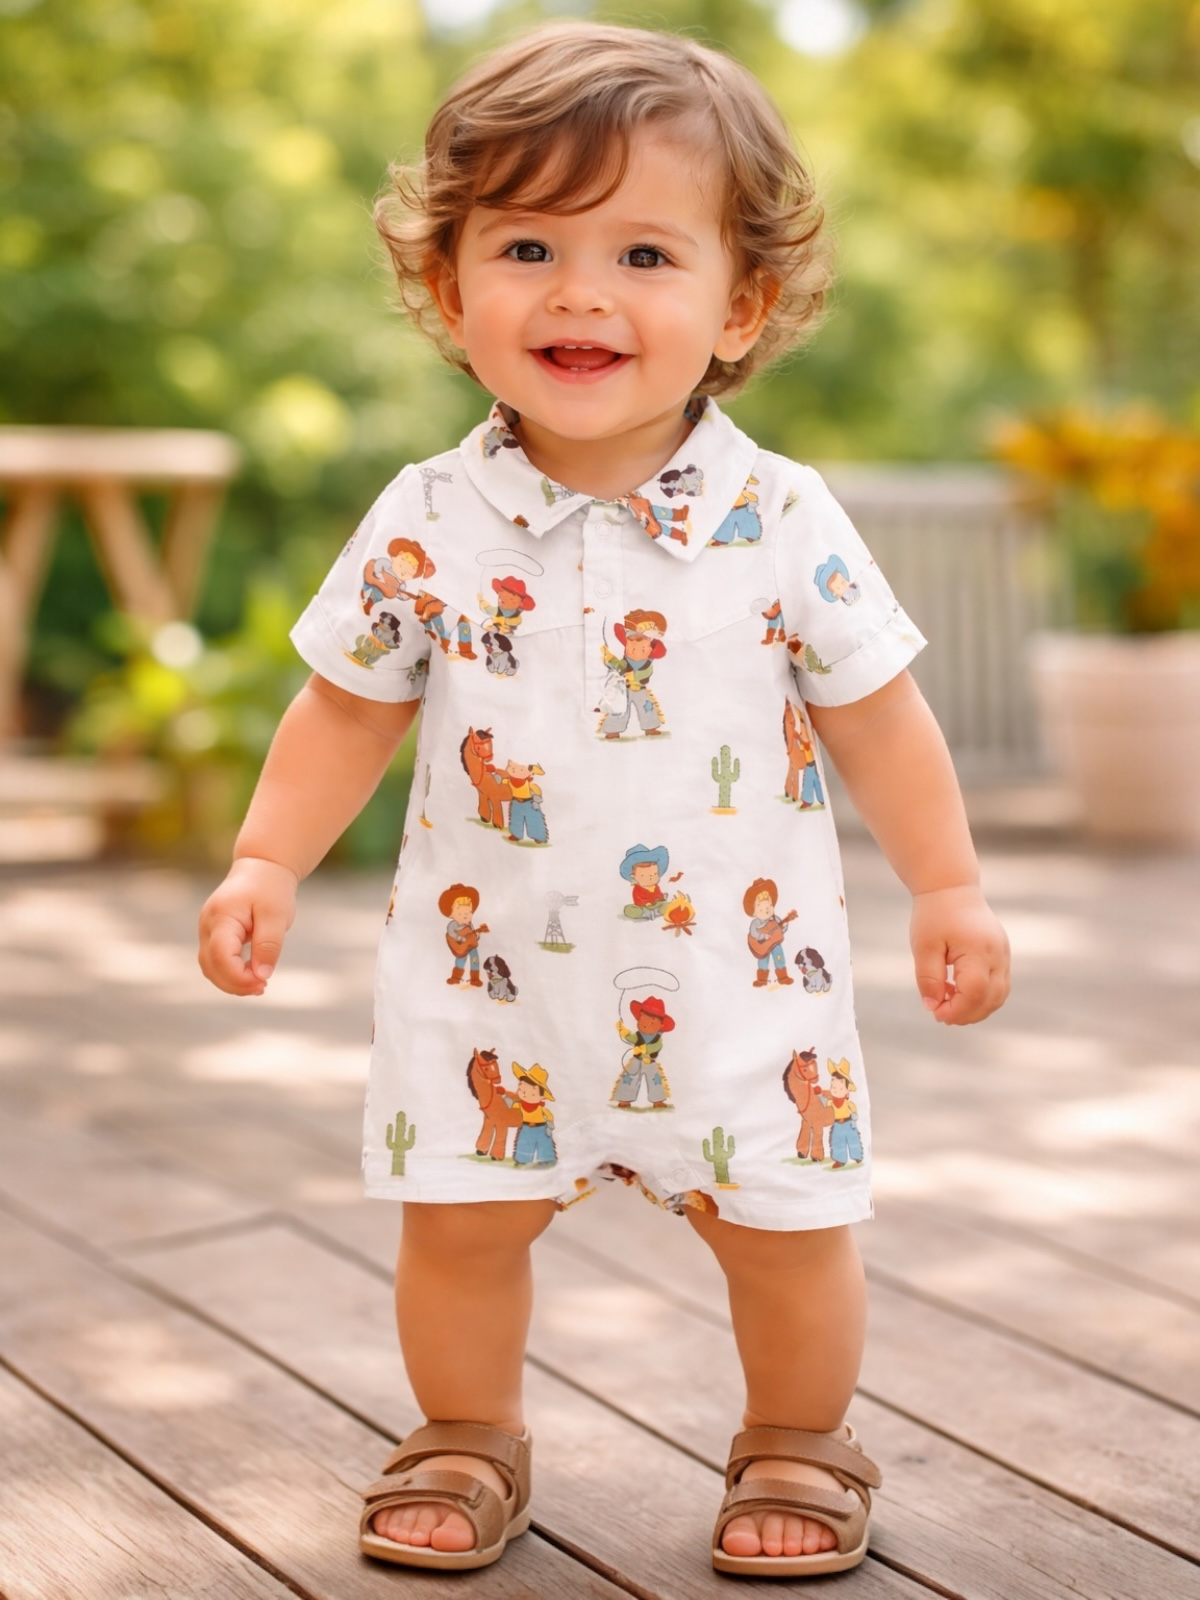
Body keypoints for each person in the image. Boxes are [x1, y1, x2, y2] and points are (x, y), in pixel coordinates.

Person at [197, 20, 1010, 1581]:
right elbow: (347, 703)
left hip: (741, 981)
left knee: (786, 1229)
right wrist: (266, 859)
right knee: (458, 1223)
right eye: (526, 247)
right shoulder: (428, 518)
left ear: (739, 305)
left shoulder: (781, 517)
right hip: (488, 979)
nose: (580, 292)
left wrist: (951, 885)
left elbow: (877, 713)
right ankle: (466, 1431)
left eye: (644, 253)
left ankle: (798, 1436)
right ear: (452, 291)